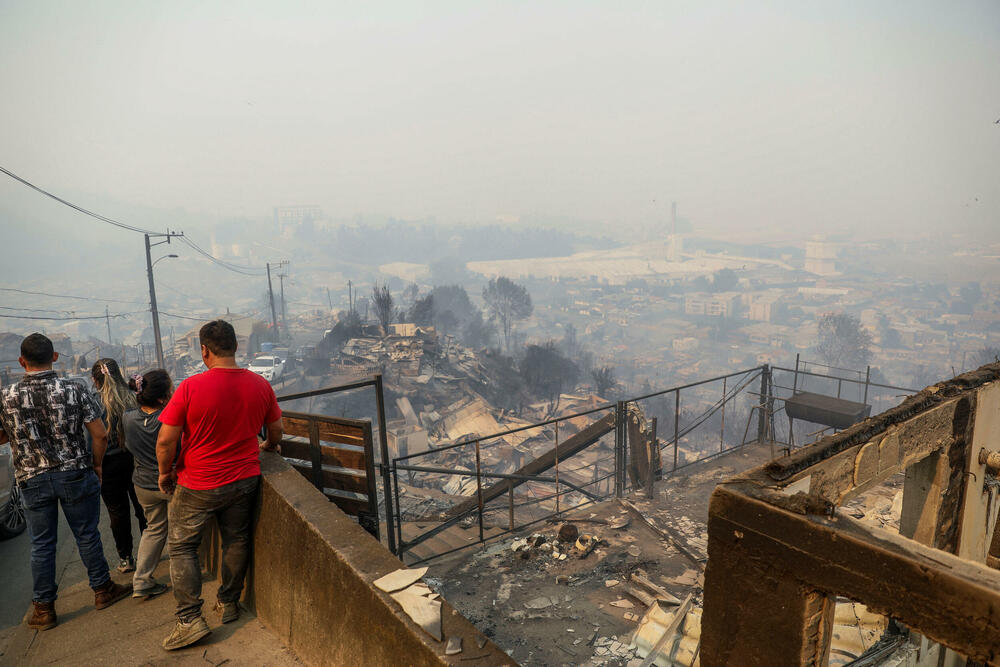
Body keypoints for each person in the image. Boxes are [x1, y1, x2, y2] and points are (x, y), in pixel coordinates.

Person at [156, 320, 283, 651]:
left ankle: (189, 620)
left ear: (204, 350)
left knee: (182, 546)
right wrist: (269, 446)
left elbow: (166, 441)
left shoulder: (190, 387)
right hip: (244, 479)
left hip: (198, 482)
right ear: (236, 347)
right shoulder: (260, 384)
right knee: (236, 539)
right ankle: (228, 603)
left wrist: (165, 473)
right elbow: (276, 430)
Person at [0, 334, 131, 631]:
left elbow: (2, 436)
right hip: (75, 472)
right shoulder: (74, 388)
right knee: (87, 534)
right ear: (55, 357)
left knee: (42, 544)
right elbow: (100, 434)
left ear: (21, 362)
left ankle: (44, 609)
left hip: (32, 478)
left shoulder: (6, 396)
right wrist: (97, 465)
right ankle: (102, 589)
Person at [91, 358, 147, 572]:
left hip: (107, 464)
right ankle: (148, 554)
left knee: (117, 513)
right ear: (119, 375)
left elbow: (94, 437)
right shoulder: (133, 397)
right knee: (142, 508)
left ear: (95, 380)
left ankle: (125, 558)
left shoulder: (94, 402)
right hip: (135, 459)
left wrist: (95, 464)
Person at [123, 369, 174, 599]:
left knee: (154, 529)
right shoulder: (169, 419)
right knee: (179, 534)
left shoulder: (127, 418)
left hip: (143, 484)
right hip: (170, 482)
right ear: (162, 398)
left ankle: (142, 581)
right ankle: (182, 580)